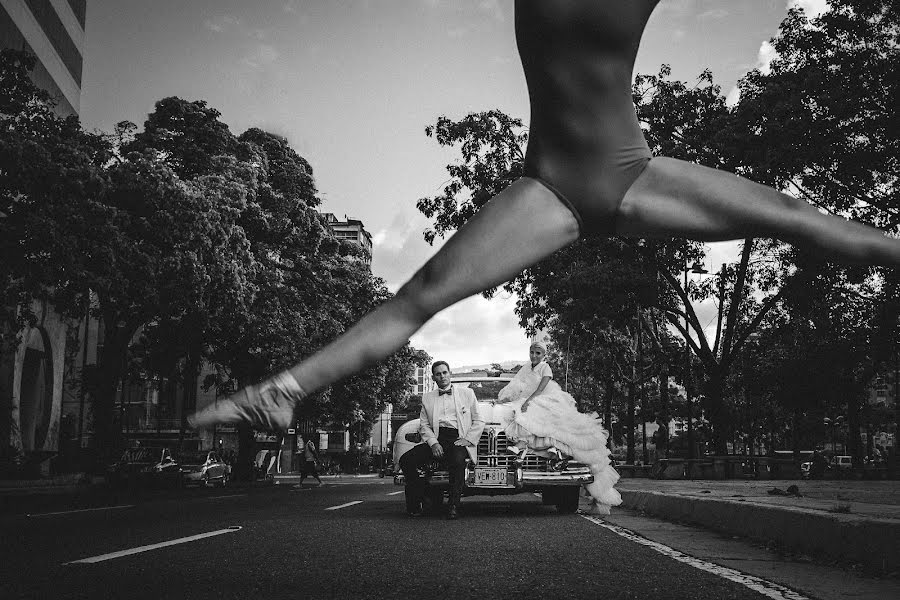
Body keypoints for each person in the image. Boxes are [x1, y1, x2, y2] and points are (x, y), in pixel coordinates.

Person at [188, 1, 899, 444]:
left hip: (631, 175)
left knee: (791, 215)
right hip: (548, 189)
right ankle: (279, 394)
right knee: (419, 296)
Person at [493, 342, 621, 515]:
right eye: (532, 352)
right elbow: (515, 386)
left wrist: (529, 401)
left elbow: (541, 388)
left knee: (537, 417)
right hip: (528, 397)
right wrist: (502, 400)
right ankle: (524, 446)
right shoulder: (525, 368)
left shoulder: (545, 367)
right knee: (516, 413)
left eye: (538, 353)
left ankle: (540, 449)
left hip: (544, 397)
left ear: (543, 355)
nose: (534, 356)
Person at [398, 361, 484, 519]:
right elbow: (424, 425)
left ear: (450, 373)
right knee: (406, 460)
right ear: (433, 378)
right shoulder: (427, 398)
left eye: (444, 372)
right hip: (437, 438)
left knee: (458, 462)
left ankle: (453, 506)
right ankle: (421, 494)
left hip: (458, 438)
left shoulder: (467, 394)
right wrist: (433, 443)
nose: (442, 376)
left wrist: (468, 439)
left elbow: (479, 421)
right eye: (438, 374)